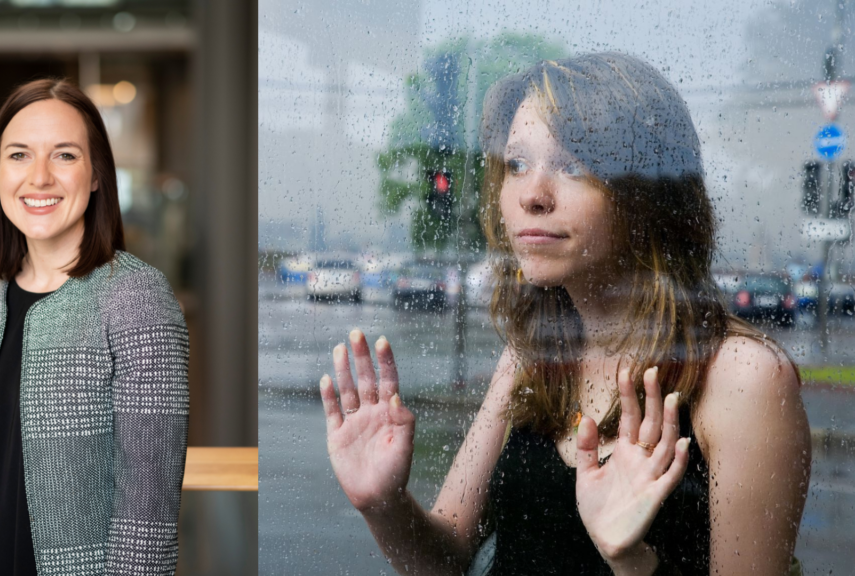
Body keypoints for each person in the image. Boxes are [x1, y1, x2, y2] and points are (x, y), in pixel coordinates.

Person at [318, 52, 811, 575]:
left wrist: (631, 561)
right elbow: (447, 560)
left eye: (573, 165)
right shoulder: (532, 354)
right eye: (518, 164)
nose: (531, 195)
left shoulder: (741, 378)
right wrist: (383, 504)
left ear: (647, 193)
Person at [0, 78, 190, 576]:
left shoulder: (136, 299)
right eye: (18, 155)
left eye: (63, 155)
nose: (38, 177)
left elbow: (145, 519)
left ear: (97, 174)